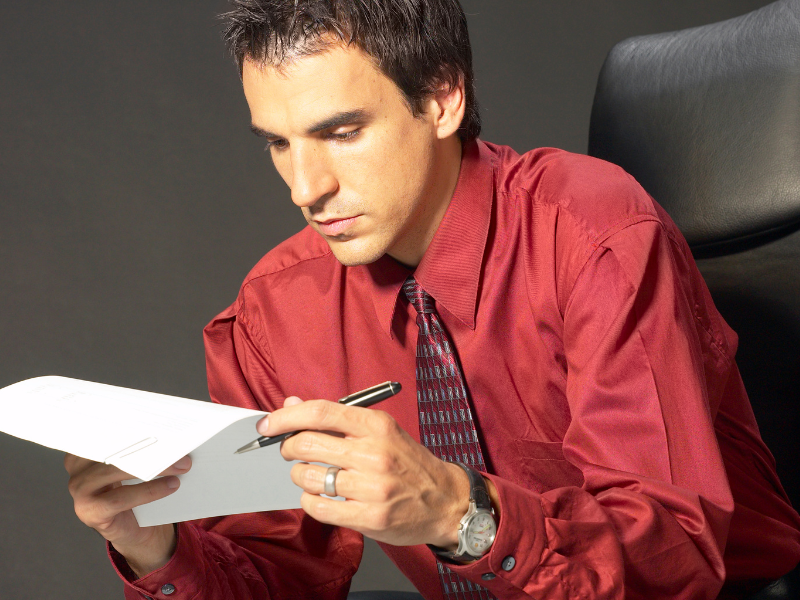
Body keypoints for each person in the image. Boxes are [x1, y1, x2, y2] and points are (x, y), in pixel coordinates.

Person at [64, 1, 800, 599]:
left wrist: (459, 511)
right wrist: (151, 542)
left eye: (341, 132)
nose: (305, 188)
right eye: (279, 144)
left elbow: (672, 557)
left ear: (443, 98)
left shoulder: (594, 232)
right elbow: (279, 581)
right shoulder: (273, 314)